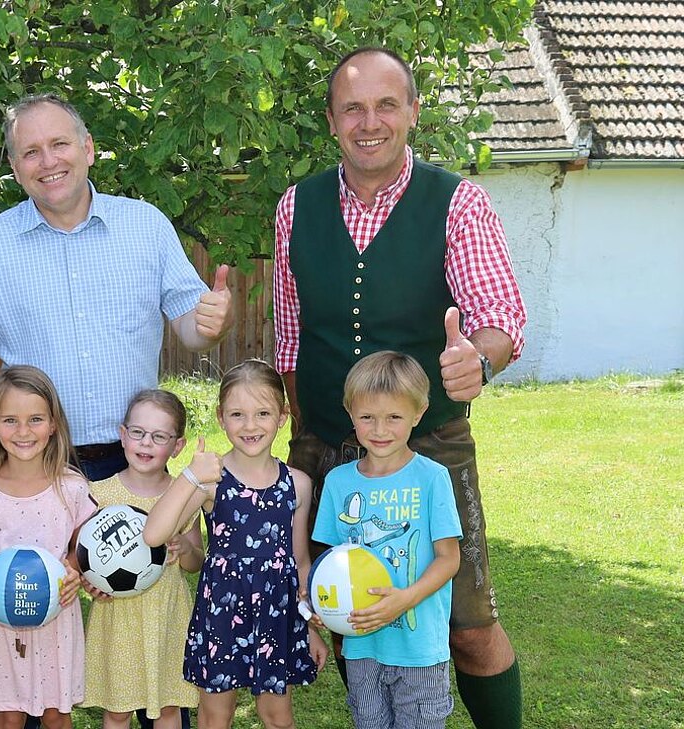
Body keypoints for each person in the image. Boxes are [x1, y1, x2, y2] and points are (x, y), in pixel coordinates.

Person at [272, 46, 526, 729]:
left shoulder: (457, 202)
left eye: (387, 104)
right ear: (331, 120)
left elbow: (500, 317)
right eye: (352, 107)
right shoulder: (296, 206)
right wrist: (304, 437)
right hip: (326, 444)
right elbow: (291, 335)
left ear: (413, 111)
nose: (370, 122)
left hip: (430, 444)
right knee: (348, 609)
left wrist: (479, 359)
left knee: (468, 626)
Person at [0, 92, 235, 484]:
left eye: (59, 144)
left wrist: (217, 321)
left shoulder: (147, 227)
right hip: (32, 460)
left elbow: (195, 332)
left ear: (87, 148)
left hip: (135, 461)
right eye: (31, 152)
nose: (48, 161)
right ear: (15, 168)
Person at [144, 360, 327, 729]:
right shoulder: (211, 480)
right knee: (216, 716)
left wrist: (309, 625)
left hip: (277, 616)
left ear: (282, 416)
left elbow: (300, 562)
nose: (250, 425)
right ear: (221, 417)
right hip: (221, 615)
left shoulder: (297, 484)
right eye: (237, 414)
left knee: (277, 716)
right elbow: (154, 534)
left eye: (263, 413)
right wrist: (191, 476)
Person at [311, 351, 463, 729]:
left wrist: (404, 600)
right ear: (350, 413)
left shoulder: (432, 478)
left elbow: (449, 558)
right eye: (367, 417)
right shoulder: (338, 482)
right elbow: (331, 562)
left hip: (419, 649)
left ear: (418, 412)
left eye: (394, 417)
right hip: (362, 647)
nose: (380, 430)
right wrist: (320, 603)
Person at [0, 366, 97, 729]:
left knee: (56, 714)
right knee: (8, 715)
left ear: (53, 425)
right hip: (0, 619)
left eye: (35, 419)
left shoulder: (71, 488)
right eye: (10, 420)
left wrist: (72, 570)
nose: (23, 432)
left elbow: (81, 548)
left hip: (56, 616)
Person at [81, 389, 201, 729]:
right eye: (138, 432)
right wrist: (91, 583)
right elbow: (83, 557)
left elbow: (196, 563)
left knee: (168, 706)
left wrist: (185, 548)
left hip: (167, 616)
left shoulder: (183, 494)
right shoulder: (99, 493)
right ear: (123, 436)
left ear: (177, 446)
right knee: (117, 710)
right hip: (118, 619)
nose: (146, 443)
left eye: (159, 436)